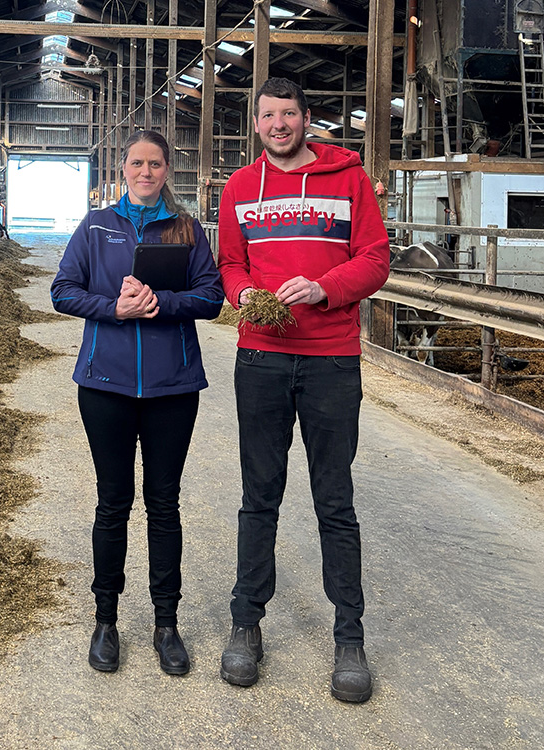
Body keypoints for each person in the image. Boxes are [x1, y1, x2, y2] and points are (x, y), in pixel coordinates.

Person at [216, 77, 390, 702]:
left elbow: (375, 258)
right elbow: (230, 264)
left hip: (330, 362)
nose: (278, 124)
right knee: (258, 496)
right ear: (256, 123)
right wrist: (245, 298)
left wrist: (325, 288)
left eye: (288, 114)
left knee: (334, 501)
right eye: (267, 115)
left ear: (305, 118)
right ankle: (246, 625)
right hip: (261, 359)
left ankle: (349, 636)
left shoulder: (349, 180)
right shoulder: (240, 188)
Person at [51, 129, 223, 676]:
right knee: (112, 502)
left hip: (172, 386)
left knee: (165, 504)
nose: (145, 172)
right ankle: (106, 620)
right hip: (105, 384)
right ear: (122, 169)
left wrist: (160, 303)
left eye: (155, 164)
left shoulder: (186, 229)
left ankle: (166, 623)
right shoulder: (96, 226)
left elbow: (212, 296)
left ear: (167, 170)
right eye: (136, 164)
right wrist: (113, 309)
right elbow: (62, 290)